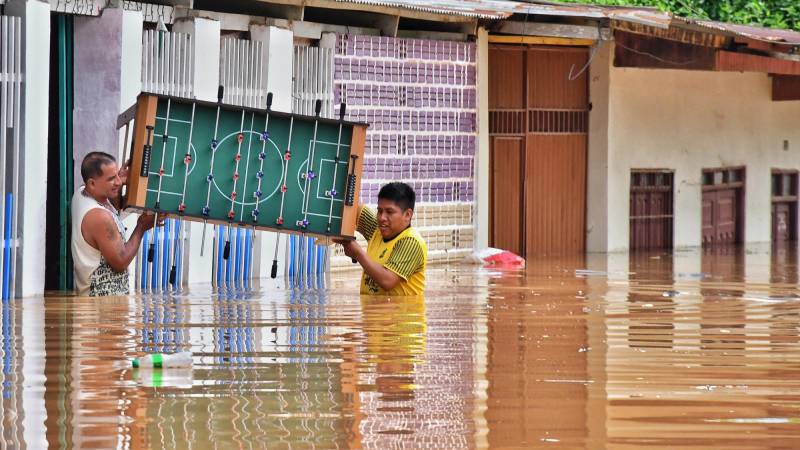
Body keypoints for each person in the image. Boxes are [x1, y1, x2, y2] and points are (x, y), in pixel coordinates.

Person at [72, 152, 158, 296]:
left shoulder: (81, 193)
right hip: (101, 304)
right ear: (92, 183)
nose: (118, 182)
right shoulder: (99, 217)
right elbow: (120, 262)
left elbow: (114, 208)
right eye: (112, 178)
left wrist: (119, 181)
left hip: (98, 301)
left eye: (118, 175)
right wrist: (141, 227)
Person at [337, 182, 427, 296]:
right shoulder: (376, 229)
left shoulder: (412, 242)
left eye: (389, 212)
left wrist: (358, 254)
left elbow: (387, 281)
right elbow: (352, 209)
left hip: (400, 313)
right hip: (372, 312)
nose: (382, 218)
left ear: (408, 214)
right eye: (379, 211)